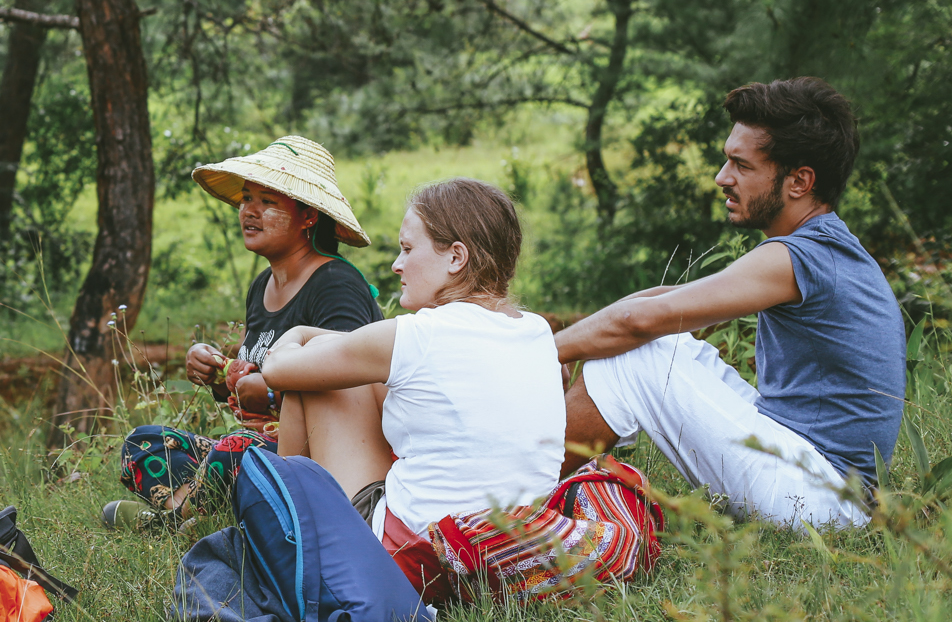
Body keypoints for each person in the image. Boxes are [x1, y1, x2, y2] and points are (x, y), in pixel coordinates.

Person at [554, 78, 904, 530]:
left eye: (741, 164)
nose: (722, 176)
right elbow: (659, 304)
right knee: (658, 347)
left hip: (825, 498)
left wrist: (540, 350)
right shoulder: (824, 248)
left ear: (800, 181)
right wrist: (564, 340)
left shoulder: (800, 257)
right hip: (818, 478)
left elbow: (638, 321)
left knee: (636, 359)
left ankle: (498, 496)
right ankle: (531, 489)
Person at [258, 178, 565, 545]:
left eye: (406, 249)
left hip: (416, 549)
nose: (396, 265)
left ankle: (283, 539)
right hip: (511, 544)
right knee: (360, 376)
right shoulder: (536, 330)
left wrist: (297, 334)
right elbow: (378, 356)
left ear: (455, 257)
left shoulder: (417, 335)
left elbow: (276, 369)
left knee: (309, 383)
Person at [108, 136, 380, 528]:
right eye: (246, 199)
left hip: (311, 458)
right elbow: (249, 386)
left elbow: (349, 386)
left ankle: (174, 522)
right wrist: (219, 376)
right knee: (144, 442)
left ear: (308, 216)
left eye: (268, 202)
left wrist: (271, 393)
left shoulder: (336, 284)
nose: (249, 212)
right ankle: (191, 512)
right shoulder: (261, 286)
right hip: (248, 449)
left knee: (237, 451)